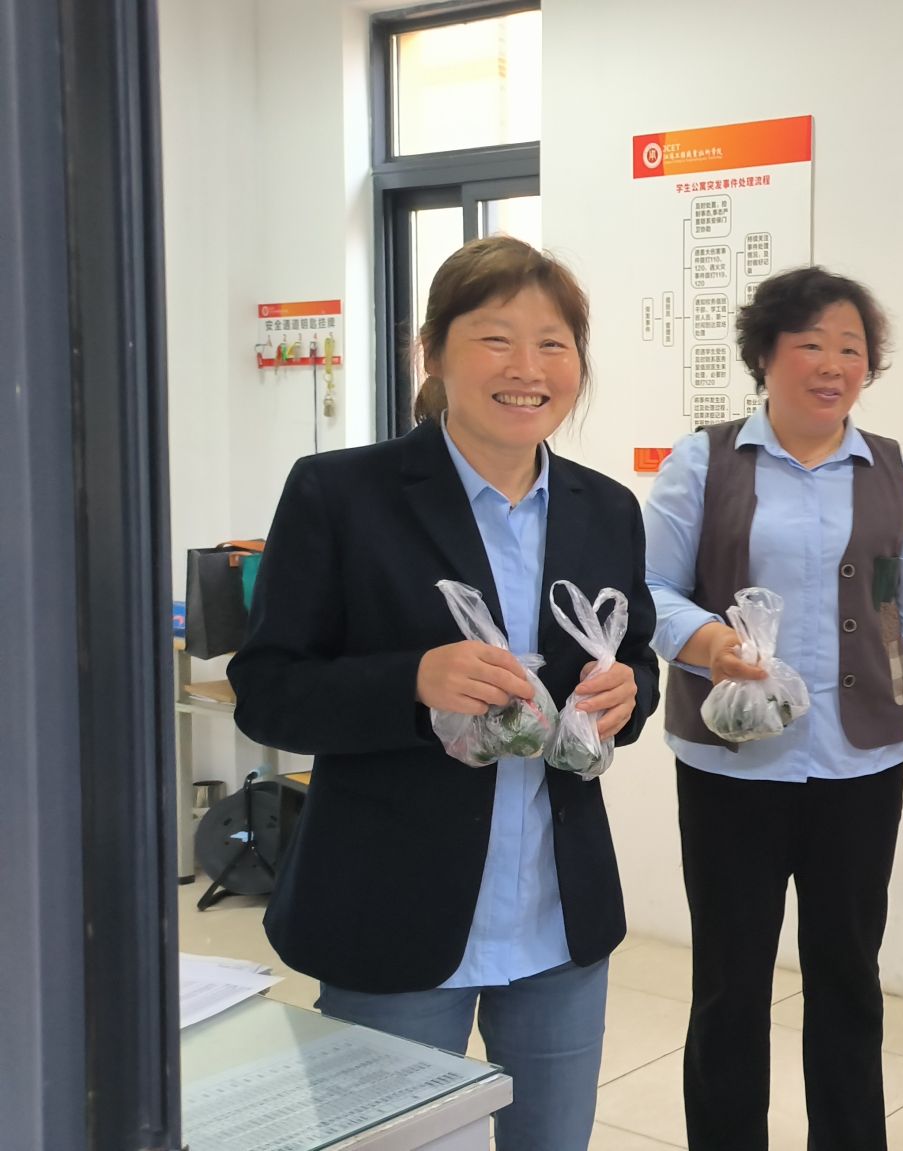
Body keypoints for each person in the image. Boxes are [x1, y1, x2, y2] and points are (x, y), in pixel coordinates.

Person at [229, 235, 662, 1151]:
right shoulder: (341, 493)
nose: (527, 368)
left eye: (553, 343)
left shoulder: (606, 509)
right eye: (495, 338)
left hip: (557, 920)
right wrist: (413, 681)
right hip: (393, 913)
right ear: (431, 352)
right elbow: (266, 690)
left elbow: (637, 658)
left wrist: (629, 694)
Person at [643, 265, 903, 1151]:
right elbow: (648, 589)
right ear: (765, 354)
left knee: (848, 981)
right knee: (730, 985)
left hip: (859, 766)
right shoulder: (704, 461)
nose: (833, 366)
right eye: (811, 345)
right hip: (731, 767)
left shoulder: (893, 471)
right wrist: (708, 640)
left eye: (852, 350)